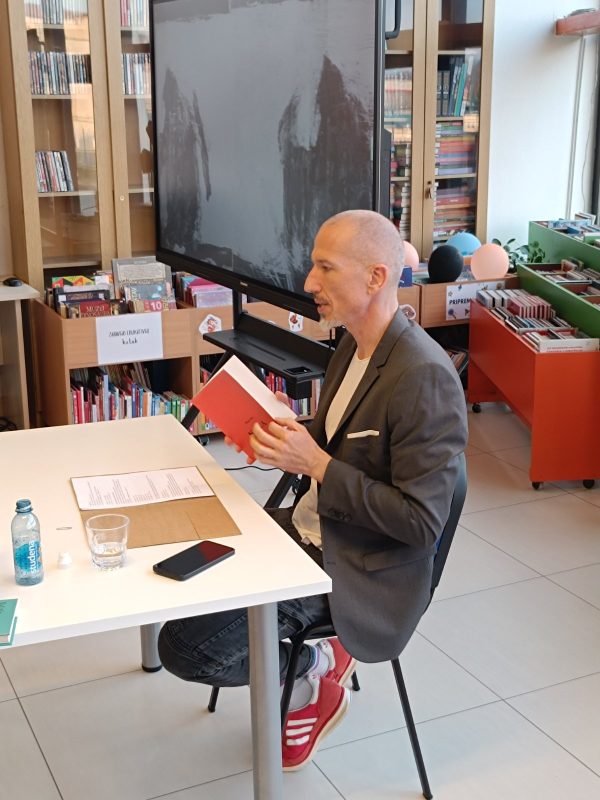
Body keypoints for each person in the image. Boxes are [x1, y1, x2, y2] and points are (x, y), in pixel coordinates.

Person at [158, 209, 468, 770]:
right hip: (313, 527)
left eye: (325, 268)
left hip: (360, 566)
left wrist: (318, 464)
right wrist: (284, 433)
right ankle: (313, 665)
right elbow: (340, 445)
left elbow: (421, 523)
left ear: (376, 277)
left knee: (184, 649)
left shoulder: (424, 377)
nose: (308, 282)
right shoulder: (353, 344)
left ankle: (312, 672)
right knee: (180, 562)